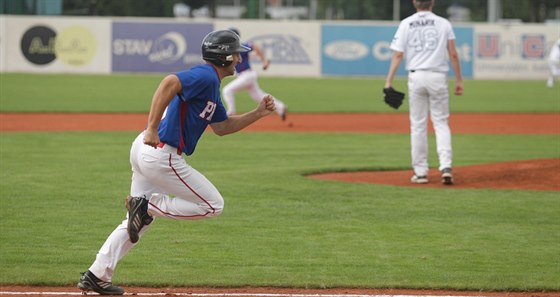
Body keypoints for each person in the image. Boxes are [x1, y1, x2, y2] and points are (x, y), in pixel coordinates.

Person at [77, 29, 276, 295]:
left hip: (146, 151)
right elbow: (169, 83)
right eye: (236, 53)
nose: (240, 58)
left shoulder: (212, 87)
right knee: (213, 205)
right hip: (160, 153)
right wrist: (151, 128)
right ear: (225, 56)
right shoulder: (205, 75)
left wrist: (258, 113)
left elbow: (222, 127)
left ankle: (97, 274)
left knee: (135, 223)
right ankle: (147, 206)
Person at [384, 0, 464, 185]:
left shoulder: (406, 23)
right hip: (438, 76)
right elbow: (453, 54)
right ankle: (446, 167)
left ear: (414, 3)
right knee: (441, 123)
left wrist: (389, 81)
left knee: (418, 125)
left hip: (416, 76)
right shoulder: (444, 23)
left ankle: (420, 172)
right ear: (432, 2)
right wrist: (459, 79)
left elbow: (397, 54)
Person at [222, 28, 288, 121]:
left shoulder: (240, 46)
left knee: (227, 90)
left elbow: (254, 45)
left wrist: (264, 60)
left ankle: (231, 112)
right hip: (247, 76)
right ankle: (281, 107)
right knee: (258, 96)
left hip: (247, 75)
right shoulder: (232, 49)